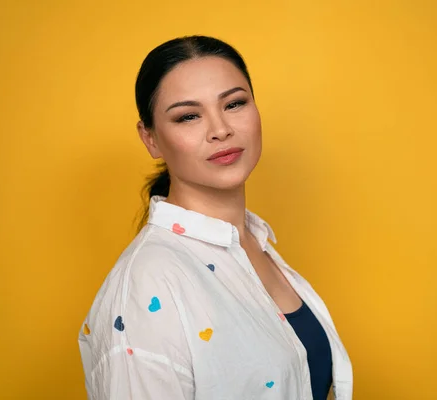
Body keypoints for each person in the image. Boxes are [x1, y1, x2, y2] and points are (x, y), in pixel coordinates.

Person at [78, 35, 353, 400]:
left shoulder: (254, 244)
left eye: (235, 103)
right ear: (151, 139)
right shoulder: (146, 286)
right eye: (188, 116)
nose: (220, 129)